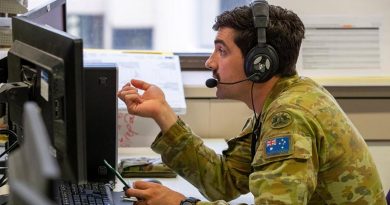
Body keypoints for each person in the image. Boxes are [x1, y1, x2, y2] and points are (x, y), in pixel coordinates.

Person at [117, 2, 386, 205]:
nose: (209, 62)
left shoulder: (291, 117)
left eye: (222, 51)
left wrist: (181, 203)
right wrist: (163, 114)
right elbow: (224, 181)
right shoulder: (281, 100)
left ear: (259, 64)